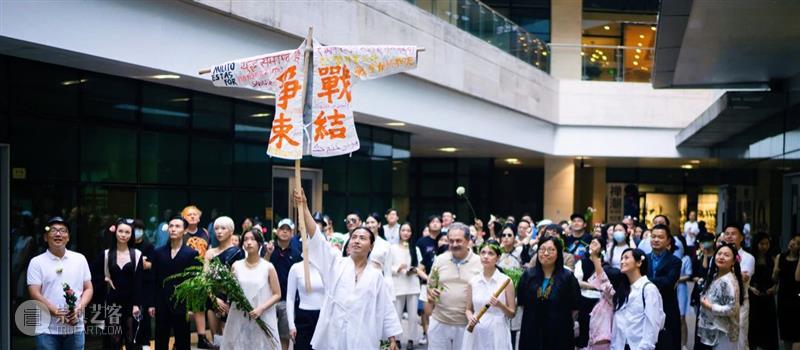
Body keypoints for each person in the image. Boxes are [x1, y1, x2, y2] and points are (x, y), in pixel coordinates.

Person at [295, 190, 401, 349]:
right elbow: (317, 238)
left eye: (363, 238)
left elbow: (385, 307)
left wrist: (392, 339)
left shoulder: (375, 275)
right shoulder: (336, 263)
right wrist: (304, 207)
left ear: (371, 246)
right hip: (335, 333)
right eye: (354, 237)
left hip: (363, 334)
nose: (357, 241)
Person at [27, 216, 94, 350]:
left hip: (75, 328)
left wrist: (79, 308)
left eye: (63, 230)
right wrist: (56, 312)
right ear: (46, 237)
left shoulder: (80, 259)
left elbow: (88, 288)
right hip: (47, 330)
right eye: (53, 230)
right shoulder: (37, 262)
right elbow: (34, 293)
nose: (58, 234)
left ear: (68, 237)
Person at [219, 228, 281, 349]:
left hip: (262, 314)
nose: (249, 242)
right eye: (246, 239)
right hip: (239, 314)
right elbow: (231, 290)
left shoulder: (268, 267)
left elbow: (277, 294)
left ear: (260, 244)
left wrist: (261, 309)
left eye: (253, 239)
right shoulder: (236, 266)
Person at [425, 222, 483, 350]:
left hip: (466, 324)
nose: (454, 244)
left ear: (468, 241)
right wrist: (431, 292)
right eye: (451, 241)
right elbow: (430, 286)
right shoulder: (440, 260)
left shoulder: (479, 262)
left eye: (458, 241)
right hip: (439, 322)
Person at [517, 236, 580, 350]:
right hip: (532, 331)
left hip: (559, 334)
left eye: (551, 250)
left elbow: (575, 307)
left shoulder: (567, 277)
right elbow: (521, 302)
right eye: (542, 249)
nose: (545, 253)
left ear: (558, 253)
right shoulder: (528, 275)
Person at [149, 216, 200, 350]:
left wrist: (191, 306)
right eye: (171, 226)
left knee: (182, 340)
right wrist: (151, 304)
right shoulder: (158, 252)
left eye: (177, 226)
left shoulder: (191, 253)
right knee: (160, 339)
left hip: (182, 303)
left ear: (184, 230)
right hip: (161, 302)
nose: (173, 229)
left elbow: (193, 282)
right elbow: (153, 279)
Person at [99, 219, 145, 350]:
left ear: (131, 235)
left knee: (131, 339)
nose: (123, 235)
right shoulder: (107, 254)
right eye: (120, 231)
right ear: (115, 232)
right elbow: (93, 274)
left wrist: (136, 304)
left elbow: (139, 281)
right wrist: (105, 279)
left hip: (131, 303)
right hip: (113, 302)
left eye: (127, 232)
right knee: (114, 339)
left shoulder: (137, 254)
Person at [462, 242, 516, 350]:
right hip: (476, 330)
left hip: (497, 331)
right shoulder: (473, 281)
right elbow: (468, 309)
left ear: (498, 257)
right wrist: (470, 317)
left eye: (491, 253)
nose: (486, 256)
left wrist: (500, 305)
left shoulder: (506, 281)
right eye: (483, 253)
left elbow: (512, 314)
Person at [611, 248, 666, 350]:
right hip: (620, 345)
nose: (622, 261)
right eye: (621, 258)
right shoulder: (622, 289)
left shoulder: (648, 289)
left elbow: (652, 323)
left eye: (626, 258)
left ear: (639, 262)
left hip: (638, 346)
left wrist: (646, 347)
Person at [204, 216, 244, 346]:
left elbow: (239, 280)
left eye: (223, 228)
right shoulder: (210, 253)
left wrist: (228, 299)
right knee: (216, 340)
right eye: (216, 228)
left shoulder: (237, 252)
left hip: (230, 300)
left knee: (231, 340)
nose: (219, 231)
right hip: (212, 298)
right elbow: (205, 278)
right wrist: (213, 298)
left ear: (231, 231)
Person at [696, 243, 743, 349]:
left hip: (724, 333)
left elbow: (732, 309)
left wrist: (711, 307)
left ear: (734, 261)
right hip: (713, 330)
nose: (721, 257)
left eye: (726, 255)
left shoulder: (728, 281)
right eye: (719, 254)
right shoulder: (714, 275)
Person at [268, 218, 303, 350]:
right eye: (282, 229)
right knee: (267, 333)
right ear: (277, 231)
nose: (284, 232)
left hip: (286, 300)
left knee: (284, 336)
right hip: (268, 298)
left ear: (292, 234)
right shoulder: (268, 249)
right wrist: (267, 253)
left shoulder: (296, 254)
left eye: (288, 230)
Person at [180, 205, 213, 349]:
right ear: (184, 218)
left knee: (200, 306)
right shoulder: (181, 233)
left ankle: (202, 338)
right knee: (184, 308)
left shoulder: (205, 232)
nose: (192, 216)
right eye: (189, 214)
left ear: (199, 217)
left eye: (195, 214)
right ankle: (181, 338)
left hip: (202, 273)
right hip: (184, 273)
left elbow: (209, 250)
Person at [390, 223, 426, 350]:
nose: (405, 233)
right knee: (397, 314)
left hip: (412, 284)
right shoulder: (392, 248)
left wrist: (414, 269)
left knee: (412, 315)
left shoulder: (414, 248)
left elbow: (421, 265)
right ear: (399, 232)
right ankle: (397, 339)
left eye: (408, 231)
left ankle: (411, 339)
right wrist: (397, 268)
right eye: (403, 230)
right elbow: (388, 266)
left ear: (411, 233)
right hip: (398, 283)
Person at [645, 224, 681, 350]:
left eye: (660, 237)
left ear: (668, 241)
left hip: (667, 307)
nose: (656, 240)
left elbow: (668, 282)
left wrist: (645, 282)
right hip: (646, 308)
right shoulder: (644, 259)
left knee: (667, 344)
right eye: (653, 236)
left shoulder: (675, 261)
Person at [720, 223, 755, 349]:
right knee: (722, 338)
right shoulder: (718, 255)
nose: (729, 237)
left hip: (740, 303)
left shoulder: (748, 257)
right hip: (720, 303)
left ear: (741, 237)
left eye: (733, 234)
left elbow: (743, 278)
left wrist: (723, 272)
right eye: (727, 234)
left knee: (740, 338)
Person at [746, 233, 778, 350]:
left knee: (768, 328)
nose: (765, 246)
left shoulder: (772, 258)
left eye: (767, 244)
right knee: (754, 326)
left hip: (768, 296)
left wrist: (774, 287)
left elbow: (776, 279)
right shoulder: (751, 258)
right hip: (754, 296)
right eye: (762, 244)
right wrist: (751, 288)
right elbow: (745, 278)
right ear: (756, 244)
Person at [415, 214, 443, 344]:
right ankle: (428, 337)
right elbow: (419, 266)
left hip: (444, 284)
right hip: (427, 283)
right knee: (426, 313)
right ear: (428, 225)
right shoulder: (422, 242)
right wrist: (429, 279)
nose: (435, 224)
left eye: (438, 221)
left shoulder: (445, 240)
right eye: (433, 221)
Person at [585, 238, 617, 350]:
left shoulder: (612, 297)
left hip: (603, 338)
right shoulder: (603, 298)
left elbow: (603, 279)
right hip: (594, 337)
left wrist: (594, 257)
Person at [286, 260, 324, 350]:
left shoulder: (327, 267)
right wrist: (291, 325)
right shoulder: (296, 268)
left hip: (323, 317)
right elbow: (290, 298)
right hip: (304, 318)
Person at [775, 234, 800, 350]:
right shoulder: (780, 257)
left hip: (797, 299)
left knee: (796, 337)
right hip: (783, 299)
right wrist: (775, 271)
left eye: (798, 243)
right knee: (786, 337)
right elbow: (774, 278)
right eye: (793, 240)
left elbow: (797, 278)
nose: (793, 243)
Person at [365, 213, 395, 298]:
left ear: (379, 224)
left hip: (378, 282)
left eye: (372, 222)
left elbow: (388, 271)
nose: (370, 225)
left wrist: (389, 291)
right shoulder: (360, 241)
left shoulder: (385, 244)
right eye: (367, 223)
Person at [677, 242, 693, 349]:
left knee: (681, 316)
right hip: (669, 288)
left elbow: (688, 274)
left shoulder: (685, 258)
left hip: (681, 288)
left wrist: (676, 279)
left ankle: (683, 343)